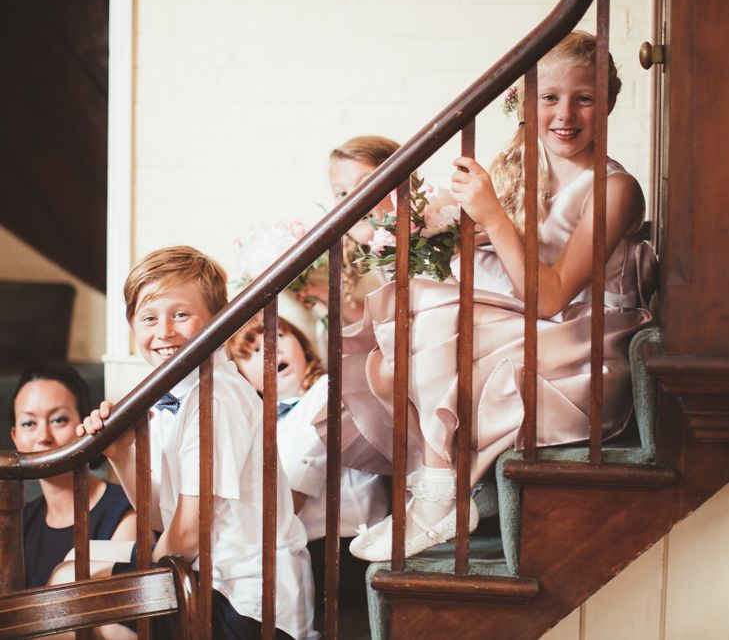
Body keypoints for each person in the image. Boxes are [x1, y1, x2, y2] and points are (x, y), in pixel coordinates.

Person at [341, 31, 654, 561]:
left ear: (610, 103)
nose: (565, 113)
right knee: (388, 364)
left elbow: (552, 298)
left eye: (585, 97)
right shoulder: (529, 173)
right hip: (538, 327)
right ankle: (446, 487)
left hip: (584, 343)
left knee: (438, 326)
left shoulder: (613, 189)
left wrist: (491, 214)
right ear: (525, 102)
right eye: (550, 97)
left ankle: (442, 494)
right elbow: (507, 270)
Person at [71, 246, 317, 640]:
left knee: (69, 594)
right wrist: (120, 452)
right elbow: (159, 517)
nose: (164, 331)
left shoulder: (215, 398)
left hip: (248, 605)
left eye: (180, 314)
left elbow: (185, 537)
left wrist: (136, 579)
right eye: (149, 318)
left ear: (217, 321)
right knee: (73, 569)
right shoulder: (179, 395)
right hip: (206, 578)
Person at [227, 313, 388, 612]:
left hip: (351, 543)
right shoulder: (255, 426)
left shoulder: (328, 387)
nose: (271, 350)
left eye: (279, 337)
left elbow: (296, 482)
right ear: (242, 376)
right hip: (298, 547)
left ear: (302, 344)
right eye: (254, 352)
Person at [9, 362, 136, 589]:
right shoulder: (19, 522)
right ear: (15, 437)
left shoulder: (125, 514)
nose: (43, 437)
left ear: (84, 425)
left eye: (58, 420)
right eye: (29, 423)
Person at [295, 135, 402, 324]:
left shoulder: (433, 242)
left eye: (365, 184)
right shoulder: (351, 258)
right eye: (342, 193)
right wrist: (327, 296)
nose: (353, 201)